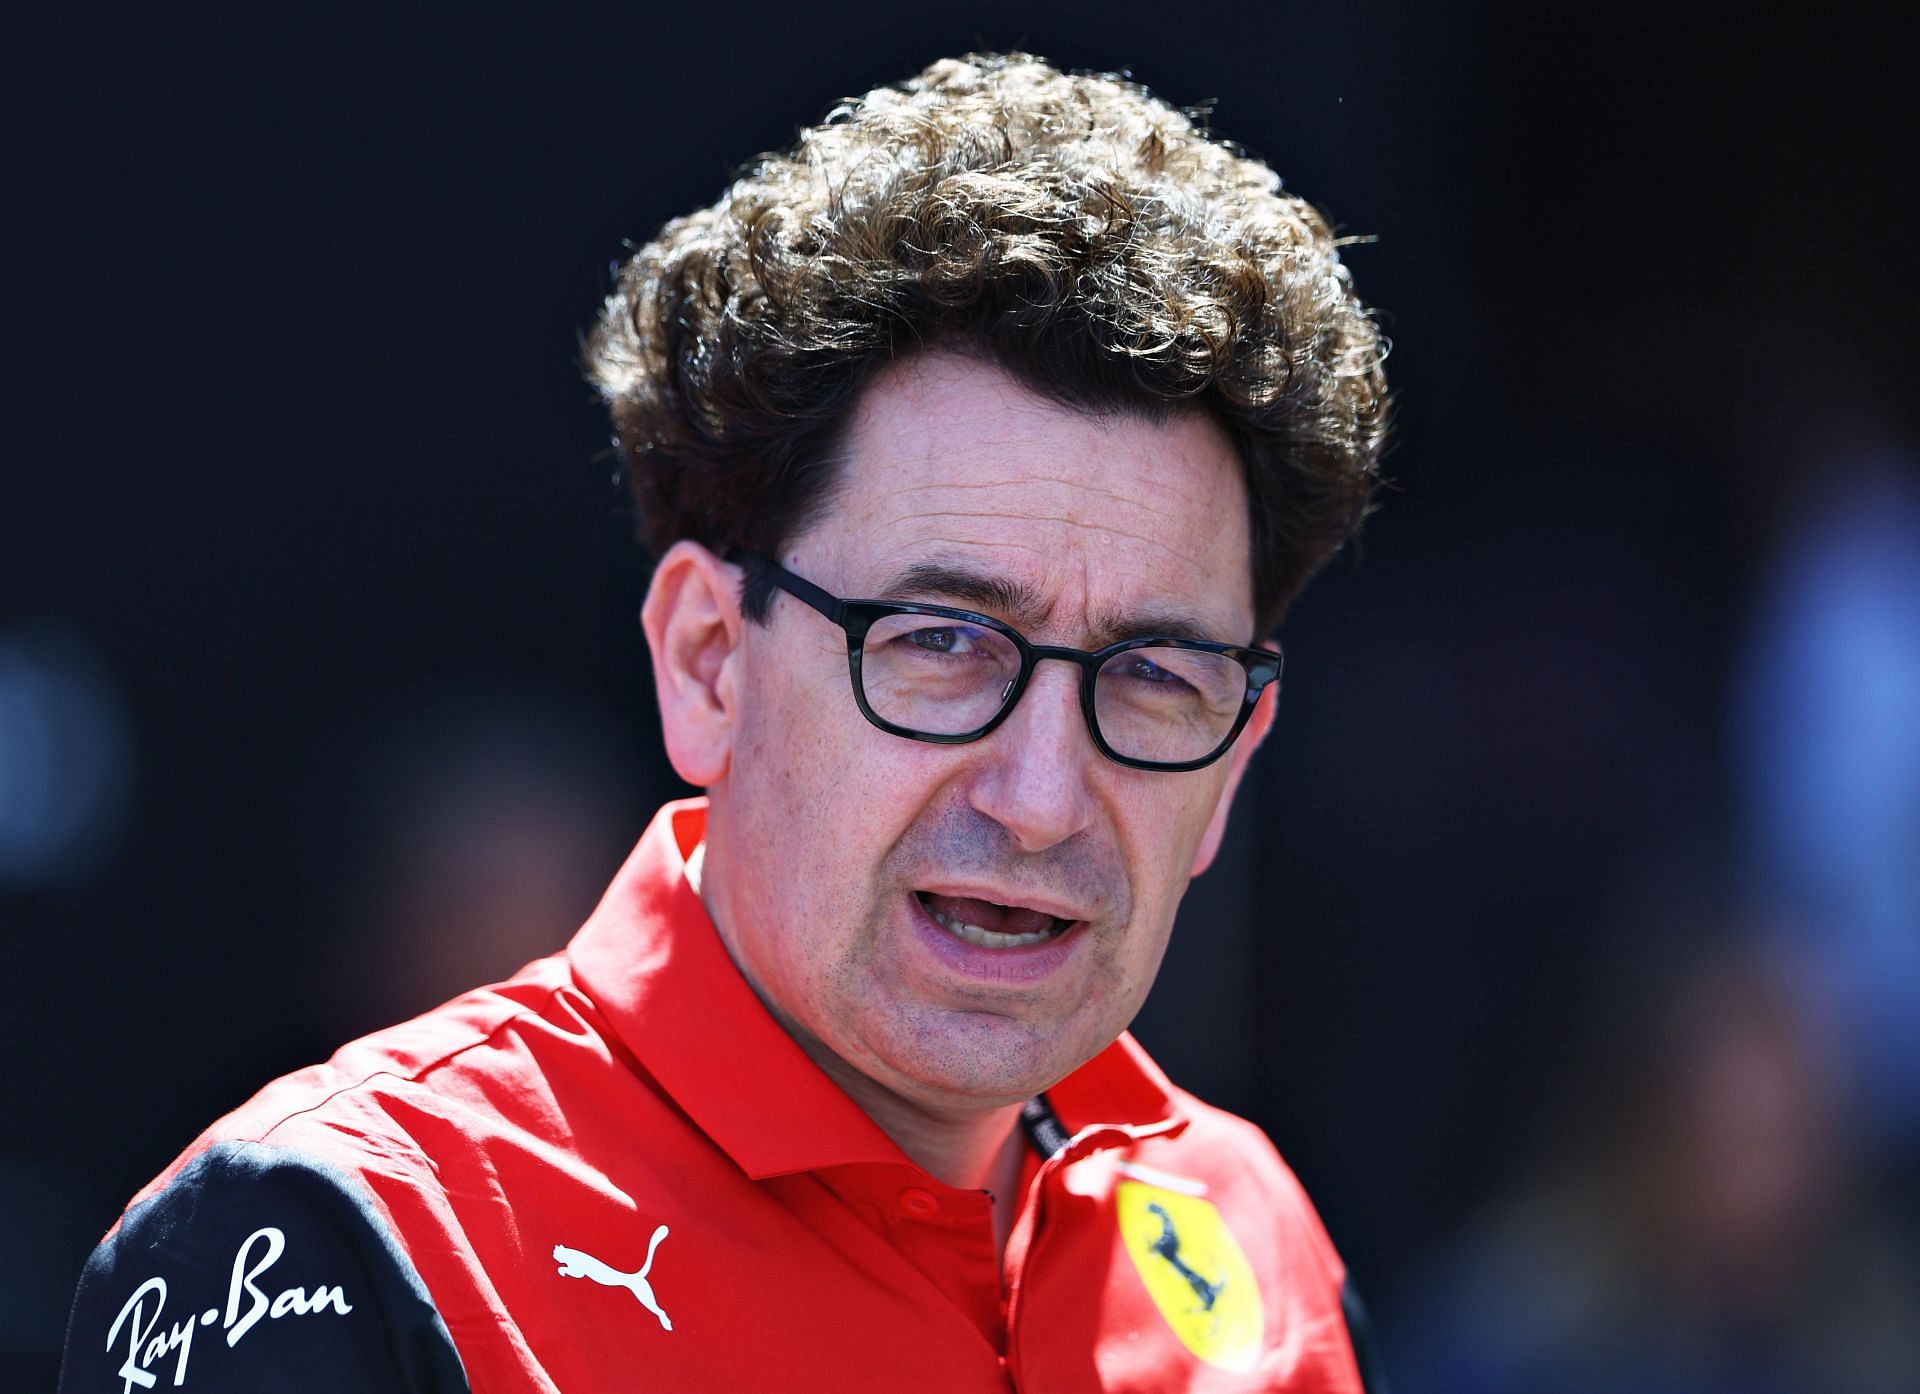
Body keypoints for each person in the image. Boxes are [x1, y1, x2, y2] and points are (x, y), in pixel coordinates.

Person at [61, 53, 1390, 1392]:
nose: (1042, 793)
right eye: (941, 644)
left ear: (1232, 763)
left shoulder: (1259, 1248)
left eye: (1155, 674)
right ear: (708, 663)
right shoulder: (350, 1242)